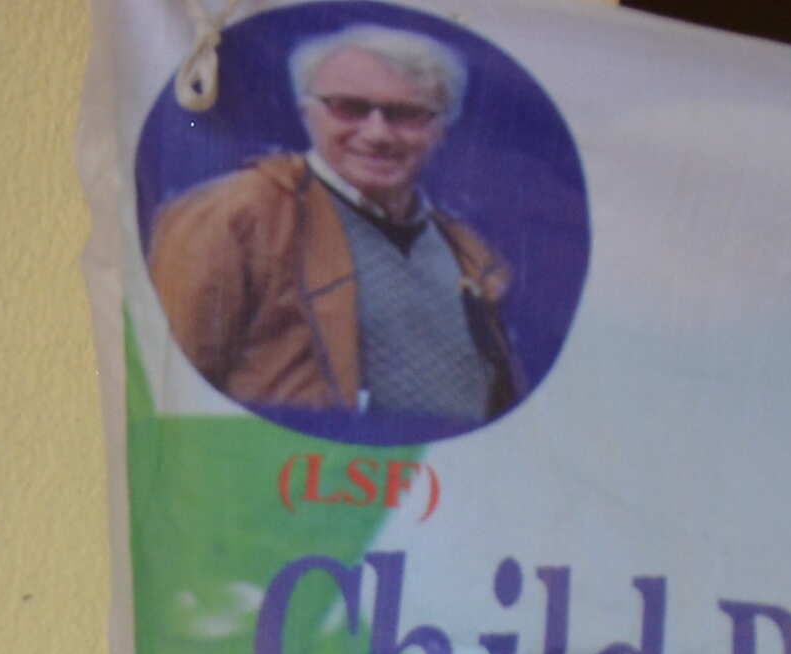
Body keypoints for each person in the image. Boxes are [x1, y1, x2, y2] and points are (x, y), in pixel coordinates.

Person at [145, 23, 522, 438]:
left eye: (407, 114)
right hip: (286, 476)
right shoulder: (236, 215)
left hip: (444, 477)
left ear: (442, 129)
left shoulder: (468, 252)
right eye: (349, 108)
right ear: (306, 112)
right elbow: (165, 388)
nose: (378, 134)